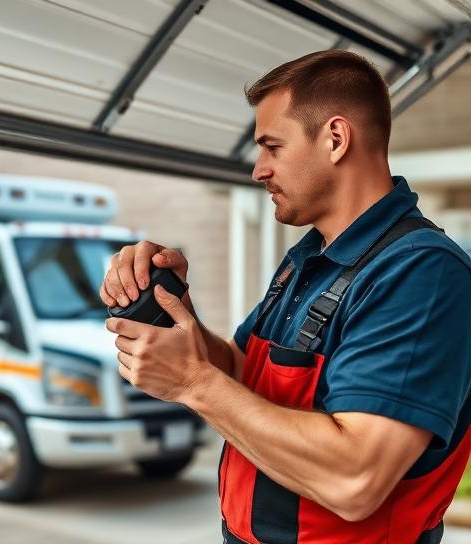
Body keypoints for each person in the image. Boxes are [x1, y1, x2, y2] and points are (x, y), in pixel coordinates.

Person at [100, 50, 471, 543]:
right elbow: (239, 371)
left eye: (272, 146)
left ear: (336, 139)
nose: (259, 170)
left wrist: (191, 383)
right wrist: (173, 314)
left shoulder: (422, 273)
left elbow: (354, 480)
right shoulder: (309, 258)